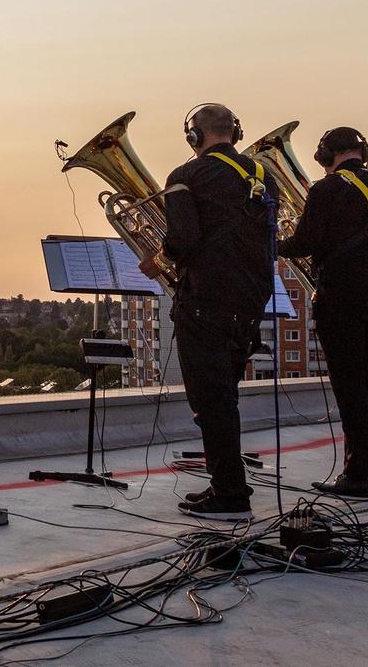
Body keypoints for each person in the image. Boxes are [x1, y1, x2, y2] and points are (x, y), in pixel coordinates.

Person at [139, 103, 279, 522]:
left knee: (210, 401)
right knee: (225, 396)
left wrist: (157, 257)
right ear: (234, 132)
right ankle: (227, 481)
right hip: (251, 301)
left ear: (193, 137)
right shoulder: (261, 175)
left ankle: (231, 495)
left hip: (206, 300)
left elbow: (184, 238)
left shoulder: (186, 176)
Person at [279, 127, 368, 500]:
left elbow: (304, 242)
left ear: (325, 154)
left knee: (349, 386)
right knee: (362, 383)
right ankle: (361, 468)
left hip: (340, 298)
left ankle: (358, 476)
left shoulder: (327, 189)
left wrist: (274, 242)